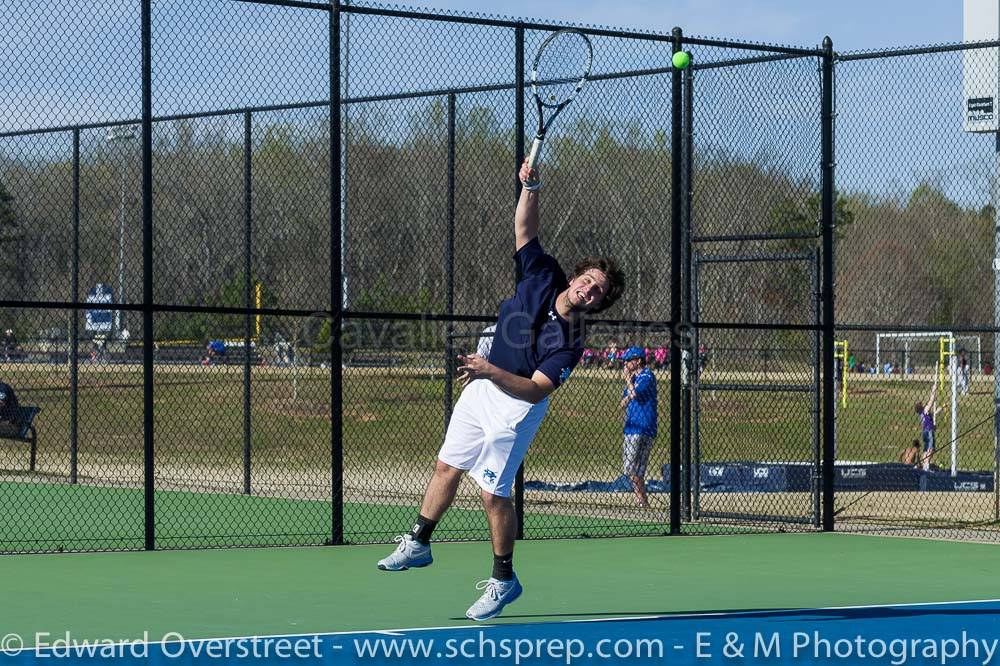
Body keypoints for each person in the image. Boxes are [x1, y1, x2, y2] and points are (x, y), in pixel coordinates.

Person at [376, 159, 625, 622]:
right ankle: (419, 542)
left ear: (598, 304)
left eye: (598, 291)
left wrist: (489, 370)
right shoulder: (542, 272)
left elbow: (534, 391)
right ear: (575, 276)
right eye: (588, 280)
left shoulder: (571, 344)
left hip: (514, 408)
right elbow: (524, 228)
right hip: (483, 386)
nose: (589, 289)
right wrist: (531, 186)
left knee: (494, 495)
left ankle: (504, 579)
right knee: (446, 467)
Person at [619, 347, 657, 508]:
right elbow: (622, 404)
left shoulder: (647, 376)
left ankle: (643, 501)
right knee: (630, 468)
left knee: (634, 468)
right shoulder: (634, 380)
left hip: (643, 427)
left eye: (628, 360)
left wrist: (628, 382)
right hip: (631, 426)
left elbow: (634, 395)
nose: (625, 364)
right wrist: (629, 386)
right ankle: (642, 501)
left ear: (638, 360)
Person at [915, 374, 942, 472]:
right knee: (931, 448)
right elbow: (931, 401)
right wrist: (934, 390)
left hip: (926, 431)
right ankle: (926, 464)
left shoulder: (922, 414)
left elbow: (929, 417)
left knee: (926, 449)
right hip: (928, 431)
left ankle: (923, 464)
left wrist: (938, 411)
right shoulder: (925, 409)